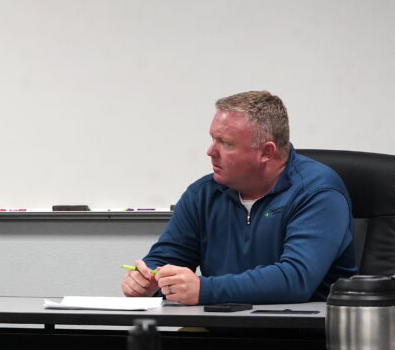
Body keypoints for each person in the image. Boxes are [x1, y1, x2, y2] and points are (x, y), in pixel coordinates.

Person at [122, 91, 356, 305]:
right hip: (219, 327)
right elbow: (165, 260)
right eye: (213, 139)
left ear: (266, 152)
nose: (210, 152)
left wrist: (204, 290)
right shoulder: (203, 194)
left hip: (297, 331)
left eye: (225, 143)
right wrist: (148, 281)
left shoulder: (318, 191)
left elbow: (295, 279)